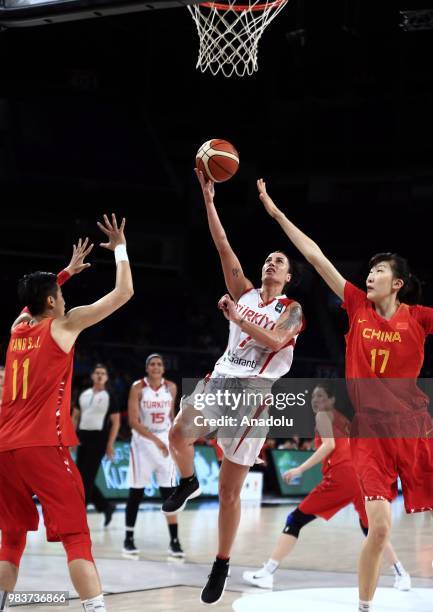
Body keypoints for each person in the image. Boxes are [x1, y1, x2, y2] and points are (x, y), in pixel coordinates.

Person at [257, 179, 433, 612]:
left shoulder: (421, 318)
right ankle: (364, 607)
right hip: (370, 434)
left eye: (379, 272)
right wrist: (277, 214)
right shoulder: (356, 304)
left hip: (412, 429)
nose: (369, 275)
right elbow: (315, 257)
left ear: (399, 284)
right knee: (378, 530)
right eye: (369, 271)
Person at [161, 169, 305, 605]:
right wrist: (208, 200)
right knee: (177, 434)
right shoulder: (243, 290)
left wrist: (239, 321)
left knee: (229, 492)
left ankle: (221, 562)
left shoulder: (292, 308)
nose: (271, 263)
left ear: (288, 277)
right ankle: (187, 482)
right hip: (223, 379)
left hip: (253, 397)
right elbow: (222, 246)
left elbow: (278, 340)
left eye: (279, 261)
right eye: (268, 259)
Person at [0, 214, 133, 612]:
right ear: (53, 303)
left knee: (11, 540)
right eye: (60, 294)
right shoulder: (64, 325)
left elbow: (32, 301)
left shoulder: (17, 328)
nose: (65, 298)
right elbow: (123, 293)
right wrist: (121, 248)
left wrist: (65, 273)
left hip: (5, 450)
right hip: (44, 445)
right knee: (77, 536)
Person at [243, 384, 411, 592]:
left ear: (331, 400)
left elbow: (329, 445)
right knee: (372, 529)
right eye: (313, 396)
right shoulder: (344, 420)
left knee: (295, 519)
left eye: (321, 397)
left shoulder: (323, 416)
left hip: (342, 477)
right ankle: (401, 574)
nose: (316, 401)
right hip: (361, 476)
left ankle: (267, 573)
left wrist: (299, 469)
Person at [123, 353, 184, 558]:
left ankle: (174, 541)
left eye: (159, 364)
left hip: (165, 440)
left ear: (163, 368)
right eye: (152, 364)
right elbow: (133, 421)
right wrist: (157, 441)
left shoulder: (171, 387)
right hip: (142, 442)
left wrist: (178, 436)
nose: (156, 367)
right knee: (136, 491)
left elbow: (171, 416)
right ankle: (128, 538)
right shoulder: (137, 387)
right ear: (147, 368)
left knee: (169, 493)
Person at [72, 363, 120, 527]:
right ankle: (105, 506)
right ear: (92, 376)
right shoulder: (83, 394)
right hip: (82, 437)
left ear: (106, 378)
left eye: (103, 373)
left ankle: (79, 518)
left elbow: (116, 422)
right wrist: (72, 437)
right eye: (97, 373)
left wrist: (110, 444)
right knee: (82, 477)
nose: (100, 375)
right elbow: (75, 417)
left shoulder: (110, 396)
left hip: (99, 439)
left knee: (85, 479)